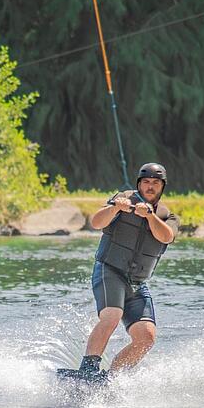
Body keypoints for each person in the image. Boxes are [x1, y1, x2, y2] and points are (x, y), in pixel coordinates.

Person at [75, 162, 180, 380]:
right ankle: (87, 371)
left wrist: (150, 216)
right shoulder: (121, 201)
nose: (150, 187)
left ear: (162, 187)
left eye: (155, 183)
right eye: (146, 182)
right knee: (112, 315)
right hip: (109, 271)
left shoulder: (167, 217)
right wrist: (114, 208)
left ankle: (111, 379)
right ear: (139, 184)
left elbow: (167, 237)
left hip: (136, 282)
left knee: (147, 337)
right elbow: (96, 222)